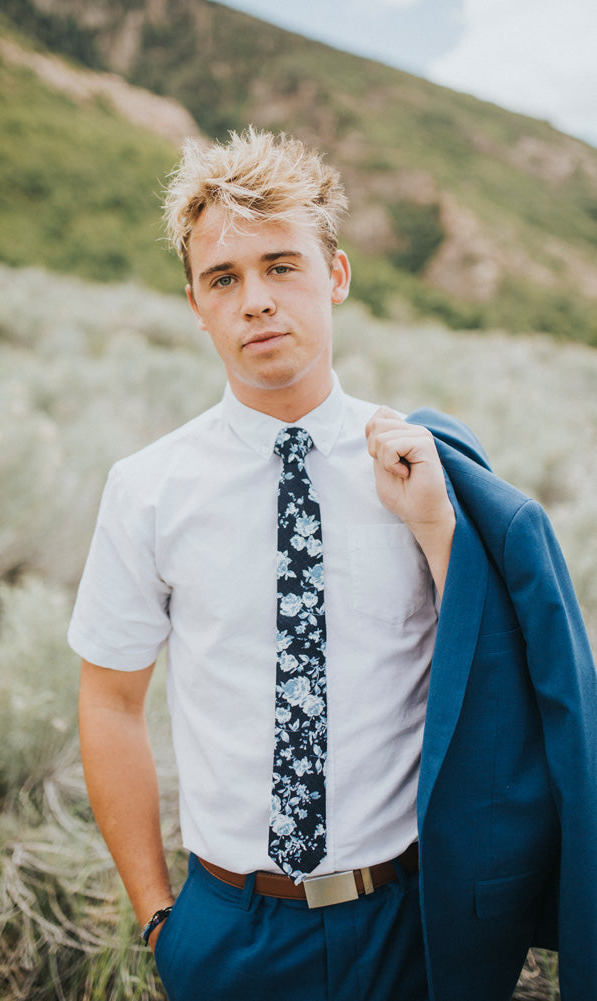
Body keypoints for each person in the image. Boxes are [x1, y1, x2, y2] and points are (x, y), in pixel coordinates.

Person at [69, 128, 597, 1001]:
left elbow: (496, 676)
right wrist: (159, 915)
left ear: (336, 275)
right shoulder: (147, 489)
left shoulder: (421, 472)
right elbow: (109, 700)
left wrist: (436, 530)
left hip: (407, 923)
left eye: (281, 266)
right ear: (195, 304)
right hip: (231, 930)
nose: (256, 301)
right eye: (223, 278)